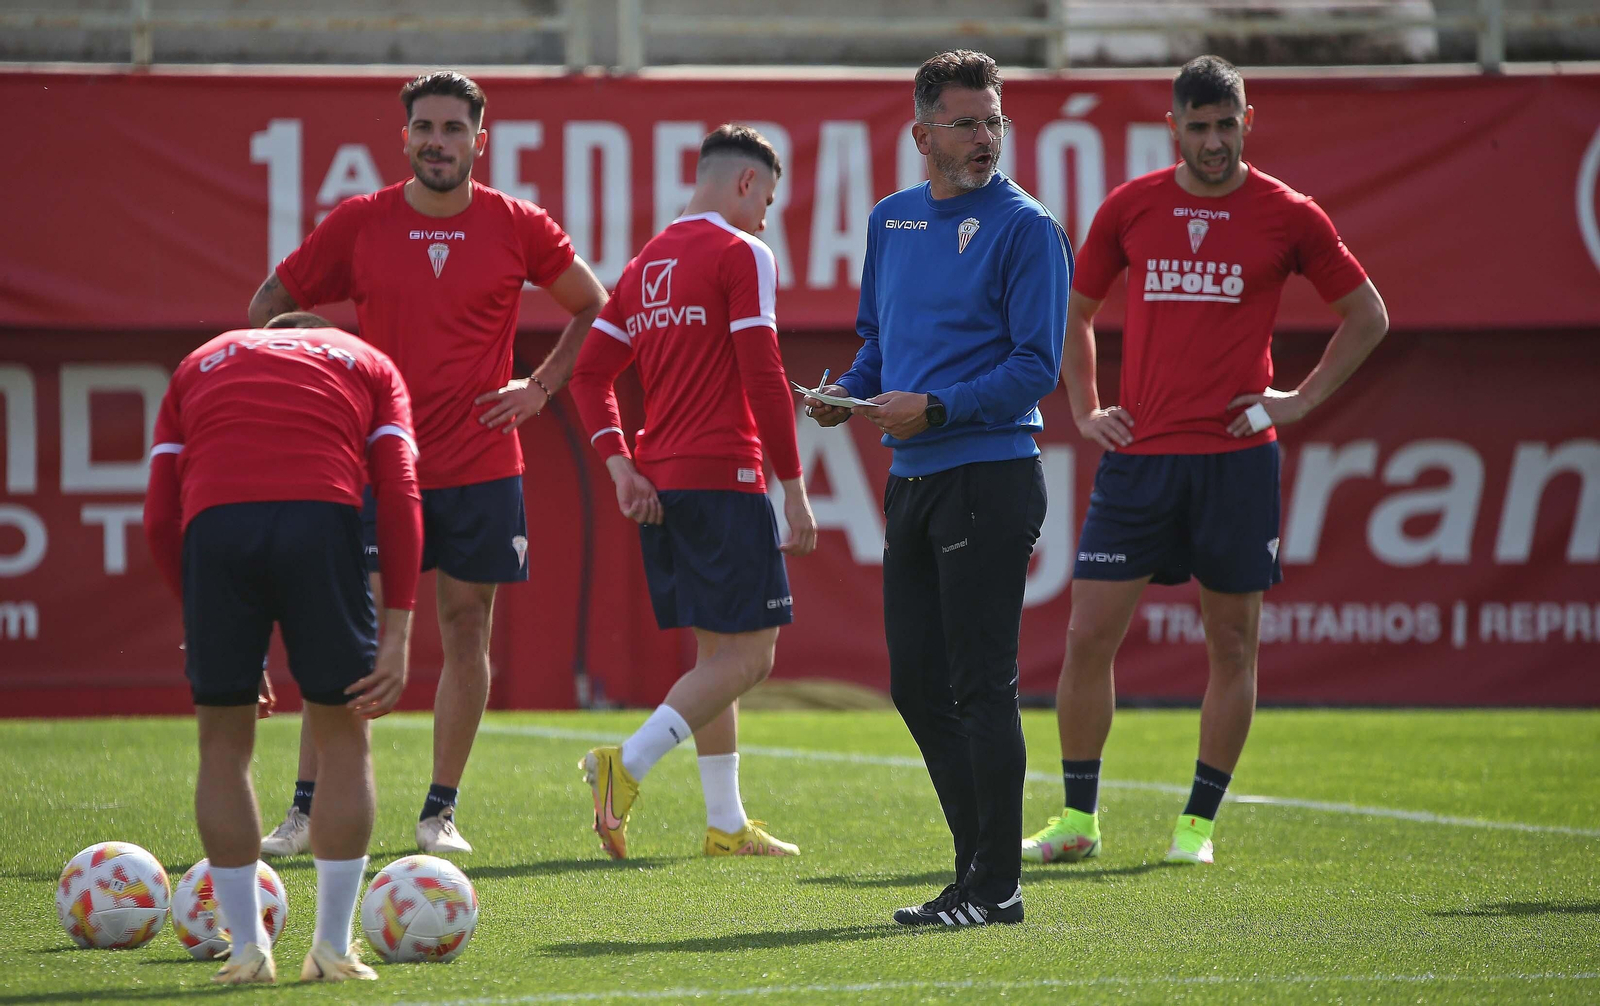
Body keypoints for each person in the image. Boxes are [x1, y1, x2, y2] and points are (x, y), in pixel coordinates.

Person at [1022, 55, 1389, 868]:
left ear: (1247, 121)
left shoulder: (1288, 214)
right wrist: (1085, 410)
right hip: (1141, 460)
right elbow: (1076, 312)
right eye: (1200, 126)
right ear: (1174, 129)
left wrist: (1296, 400)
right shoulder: (1133, 206)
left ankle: (1197, 826)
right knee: (1086, 638)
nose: (1214, 141)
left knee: (1231, 647)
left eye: (1228, 124)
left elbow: (1367, 315)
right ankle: (1078, 819)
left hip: (1237, 462)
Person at [247, 70, 608, 856]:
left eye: (453, 129)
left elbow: (593, 303)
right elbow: (267, 308)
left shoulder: (518, 224)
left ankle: (439, 813)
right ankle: (307, 812)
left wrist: (542, 386)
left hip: (482, 461)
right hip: (379, 468)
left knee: (466, 627)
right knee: (346, 634)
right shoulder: (360, 222)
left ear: (481, 140)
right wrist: (325, 379)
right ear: (403, 137)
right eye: (425, 128)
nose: (438, 142)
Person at [806, 50, 1070, 926]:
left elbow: (1037, 365)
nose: (984, 138)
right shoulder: (891, 221)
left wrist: (943, 407)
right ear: (921, 133)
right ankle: (977, 871)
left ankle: (995, 886)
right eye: (965, 122)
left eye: (993, 120)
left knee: (981, 684)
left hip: (989, 474)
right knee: (917, 685)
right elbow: (880, 343)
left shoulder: (1027, 228)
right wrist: (850, 393)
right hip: (913, 475)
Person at [144, 312, 423, 983]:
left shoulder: (200, 361)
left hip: (217, 531)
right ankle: (330, 948)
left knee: (223, 744)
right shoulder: (365, 359)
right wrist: (399, 633)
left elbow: (159, 515)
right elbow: (402, 493)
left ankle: (246, 949)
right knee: (343, 739)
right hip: (318, 520)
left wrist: (199, 616)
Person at [567, 124, 818, 860]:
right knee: (754, 659)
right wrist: (794, 487)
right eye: (767, 200)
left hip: (665, 486)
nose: (766, 218)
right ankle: (626, 765)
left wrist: (621, 469)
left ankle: (725, 822)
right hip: (726, 477)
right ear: (744, 183)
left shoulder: (645, 264)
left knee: (718, 654)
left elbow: (588, 377)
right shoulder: (742, 253)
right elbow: (764, 375)